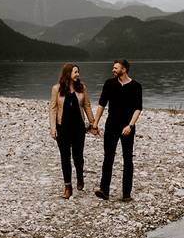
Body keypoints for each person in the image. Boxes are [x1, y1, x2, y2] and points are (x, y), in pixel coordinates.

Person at [92, 59, 143, 201]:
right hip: (111, 125)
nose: (113, 70)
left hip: (127, 126)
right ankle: (104, 190)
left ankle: (126, 194)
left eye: (116, 68)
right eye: (113, 68)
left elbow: (138, 108)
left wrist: (130, 125)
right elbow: (102, 104)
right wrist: (95, 123)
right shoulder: (109, 83)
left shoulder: (136, 86)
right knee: (108, 157)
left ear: (124, 69)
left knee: (127, 159)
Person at [49, 63, 95, 199]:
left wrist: (93, 123)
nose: (78, 74)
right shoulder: (56, 89)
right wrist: (52, 128)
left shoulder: (82, 88)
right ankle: (68, 186)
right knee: (65, 157)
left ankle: (80, 176)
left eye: (78, 72)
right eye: (75, 72)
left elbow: (87, 106)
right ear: (68, 73)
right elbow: (53, 109)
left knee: (78, 157)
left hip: (79, 128)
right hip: (62, 128)